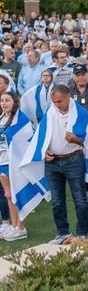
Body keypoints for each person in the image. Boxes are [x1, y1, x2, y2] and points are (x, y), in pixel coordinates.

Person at [42, 85, 88, 243]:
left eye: (59, 101)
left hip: (73, 159)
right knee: (57, 200)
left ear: (68, 97)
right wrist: (43, 152)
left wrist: (76, 140)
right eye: (54, 102)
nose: (57, 104)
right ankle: (62, 233)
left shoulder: (81, 113)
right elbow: (41, 137)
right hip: (52, 162)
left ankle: (81, 234)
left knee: (79, 198)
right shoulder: (50, 112)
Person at [0, 92, 33, 241]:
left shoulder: (21, 119)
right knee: (8, 195)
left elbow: (25, 139)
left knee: (17, 195)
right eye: (2, 101)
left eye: (7, 100)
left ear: (14, 102)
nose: (4, 103)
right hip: (1, 161)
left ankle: (21, 227)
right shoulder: (1, 118)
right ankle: (14, 226)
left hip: (14, 162)